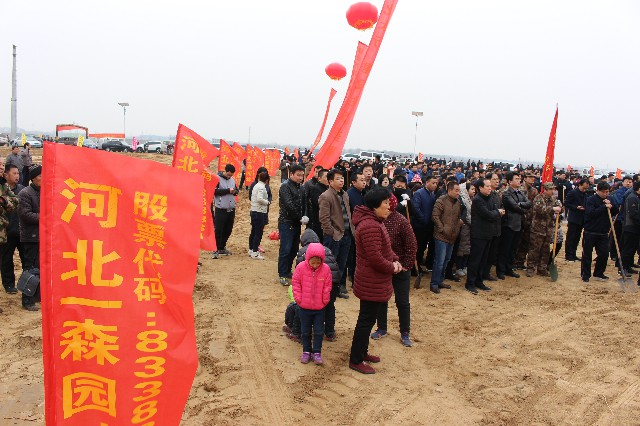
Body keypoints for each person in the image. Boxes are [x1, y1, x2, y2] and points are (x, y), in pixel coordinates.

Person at [349, 187, 401, 374]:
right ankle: (356, 359)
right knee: (366, 320)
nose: (389, 206)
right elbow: (375, 258)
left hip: (375, 280)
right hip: (370, 281)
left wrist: (394, 259)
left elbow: (384, 249)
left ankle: (362, 352)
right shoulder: (370, 225)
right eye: (385, 203)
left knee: (368, 318)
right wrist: (392, 267)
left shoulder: (375, 221)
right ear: (374, 206)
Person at [371, 194, 417, 346]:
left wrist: (405, 265)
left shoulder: (401, 221)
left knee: (402, 301)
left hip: (401, 268)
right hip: (383, 267)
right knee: (381, 299)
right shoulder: (377, 220)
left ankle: (405, 332)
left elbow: (412, 245)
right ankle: (381, 328)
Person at [292, 243, 332, 365]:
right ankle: (306, 351)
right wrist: (299, 298)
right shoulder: (300, 268)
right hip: (304, 307)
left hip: (319, 308)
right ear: (308, 259)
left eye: (318, 263)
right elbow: (296, 283)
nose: (315, 265)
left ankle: (317, 352)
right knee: (305, 331)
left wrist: (325, 299)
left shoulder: (326, 269)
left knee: (319, 331)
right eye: (313, 262)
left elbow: (328, 285)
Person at [295, 230, 340, 340]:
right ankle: (330, 332)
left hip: (320, 281)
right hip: (333, 282)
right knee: (330, 306)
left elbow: (299, 272)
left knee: (303, 307)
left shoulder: (303, 251)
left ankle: (297, 332)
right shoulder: (326, 249)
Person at [319, 169, 354, 299]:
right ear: (330, 181)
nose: (341, 181)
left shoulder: (344, 194)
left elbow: (348, 213)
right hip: (334, 236)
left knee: (341, 265)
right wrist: (332, 233)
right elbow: (324, 219)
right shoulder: (326, 196)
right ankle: (326, 291)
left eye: (342, 178)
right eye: (338, 179)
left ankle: (336, 289)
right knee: (330, 265)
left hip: (346, 234)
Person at [465, 178, 504, 294]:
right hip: (479, 234)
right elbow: (488, 214)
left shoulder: (490, 197)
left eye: (489, 186)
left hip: (488, 233)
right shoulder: (478, 200)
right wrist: (497, 212)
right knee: (475, 260)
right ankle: (470, 283)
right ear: (480, 188)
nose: (489, 188)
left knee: (483, 260)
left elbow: (493, 211)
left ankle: (479, 281)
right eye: (487, 186)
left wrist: (496, 212)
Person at [497, 172, 531, 279]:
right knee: (505, 249)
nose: (519, 180)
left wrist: (520, 204)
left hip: (519, 224)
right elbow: (514, 206)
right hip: (509, 224)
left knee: (513, 249)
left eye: (519, 178)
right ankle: (501, 270)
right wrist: (522, 207)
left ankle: (509, 268)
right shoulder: (507, 193)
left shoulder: (520, 193)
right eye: (516, 179)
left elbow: (529, 203)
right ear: (510, 181)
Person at [430, 181, 462, 294]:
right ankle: (434, 283)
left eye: (459, 191)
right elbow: (435, 216)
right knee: (439, 261)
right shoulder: (441, 201)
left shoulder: (458, 202)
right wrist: (442, 229)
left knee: (447, 260)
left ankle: (440, 281)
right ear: (449, 190)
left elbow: (458, 217)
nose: (458, 193)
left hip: (452, 236)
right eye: (456, 190)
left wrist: (457, 228)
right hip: (441, 236)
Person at [278, 164, 307, 286]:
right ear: (291, 174)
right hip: (286, 221)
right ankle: (282, 274)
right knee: (286, 248)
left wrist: (304, 215)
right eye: (298, 175)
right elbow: (289, 205)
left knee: (294, 248)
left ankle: (288, 270)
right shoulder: (285, 186)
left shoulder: (301, 187)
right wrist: (300, 217)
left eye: (302, 175)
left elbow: (304, 204)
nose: (300, 178)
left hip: (296, 222)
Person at [527, 182, 562, 277]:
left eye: (553, 189)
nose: (552, 191)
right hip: (538, 229)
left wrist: (559, 208)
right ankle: (531, 268)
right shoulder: (538, 198)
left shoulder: (554, 199)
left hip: (549, 229)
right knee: (535, 249)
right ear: (545, 190)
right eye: (550, 189)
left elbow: (560, 207)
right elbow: (540, 209)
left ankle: (542, 268)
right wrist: (553, 209)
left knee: (545, 250)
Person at [18, 165, 41, 311]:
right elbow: (26, 215)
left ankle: (37, 295)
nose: (43, 179)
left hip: (42, 237)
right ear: (33, 178)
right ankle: (27, 300)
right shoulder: (25, 193)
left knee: (40, 268)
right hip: (30, 237)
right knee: (30, 268)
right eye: (40, 176)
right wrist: (45, 217)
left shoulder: (46, 192)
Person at [0, 164, 24, 294]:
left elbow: (17, 204)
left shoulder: (22, 190)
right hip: (6, 231)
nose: (17, 176)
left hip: (22, 230)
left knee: (26, 258)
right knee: (6, 259)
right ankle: (9, 284)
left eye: (18, 173)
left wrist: (6, 201)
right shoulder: (3, 187)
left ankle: (26, 284)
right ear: (6, 175)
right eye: (14, 173)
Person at [211, 164, 239, 259]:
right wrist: (227, 191)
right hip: (221, 209)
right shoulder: (217, 179)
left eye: (231, 175)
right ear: (225, 171)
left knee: (228, 229)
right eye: (228, 174)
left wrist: (235, 191)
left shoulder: (232, 180)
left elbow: (236, 190)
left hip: (231, 208)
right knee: (219, 230)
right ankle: (215, 249)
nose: (229, 176)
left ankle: (222, 247)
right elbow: (214, 191)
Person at [411, 176, 438, 273]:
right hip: (420, 226)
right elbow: (416, 208)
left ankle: (418, 266)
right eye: (433, 183)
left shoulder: (432, 194)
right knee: (418, 247)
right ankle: (414, 268)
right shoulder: (419, 193)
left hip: (429, 226)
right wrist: (423, 219)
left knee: (422, 248)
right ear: (427, 182)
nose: (435, 185)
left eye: (436, 183)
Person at [483, 172, 503, 281]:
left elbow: (501, 207)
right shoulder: (486, 195)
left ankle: (486, 273)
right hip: (487, 228)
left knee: (492, 253)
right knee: (485, 254)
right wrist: (497, 212)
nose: (497, 181)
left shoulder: (497, 194)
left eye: (497, 179)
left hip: (496, 227)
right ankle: (482, 273)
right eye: (494, 179)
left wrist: (501, 211)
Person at [564, 178, 589, 261]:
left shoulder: (585, 194)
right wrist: (576, 207)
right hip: (573, 218)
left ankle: (573, 253)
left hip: (581, 218)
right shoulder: (573, 193)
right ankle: (568, 255)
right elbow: (566, 203)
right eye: (584, 188)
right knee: (571, 237)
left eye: (586, 188)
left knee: (577, 237)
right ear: (580, 185)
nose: (585, 190)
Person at [249, 171, 270, 260]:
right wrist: (267, 202)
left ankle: (251, 250)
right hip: (259, 211)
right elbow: (259, 199)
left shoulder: (256, 185)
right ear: (267, 180)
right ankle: (255, 252)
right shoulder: (261, 187)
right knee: (258, 232)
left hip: (254, 210)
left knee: (254, 231)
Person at [304, 168, 329, 241]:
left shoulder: (329, 188)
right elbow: (319, 203)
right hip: (318, 220)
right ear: (319, 178)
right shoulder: (315, 188)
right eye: (326, 177)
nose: (328, 179)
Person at [456, 182, 475, 277]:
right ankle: (459, 267)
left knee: (468, 247)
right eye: (472, 189)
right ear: (466, 190)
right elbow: (466, 213)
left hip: (471, 226)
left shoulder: (471, 199)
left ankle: (464, 266)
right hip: (464, 226)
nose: (474, 191)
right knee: (462, 247)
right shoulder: (462, 199)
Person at [621, 181, 640, 274]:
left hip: (636, 228)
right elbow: (633, 214)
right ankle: (623, 268)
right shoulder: (632, 197)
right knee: (627, 249)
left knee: (632, 249)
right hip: (630, 227)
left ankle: (628, 266)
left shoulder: (637, 197)